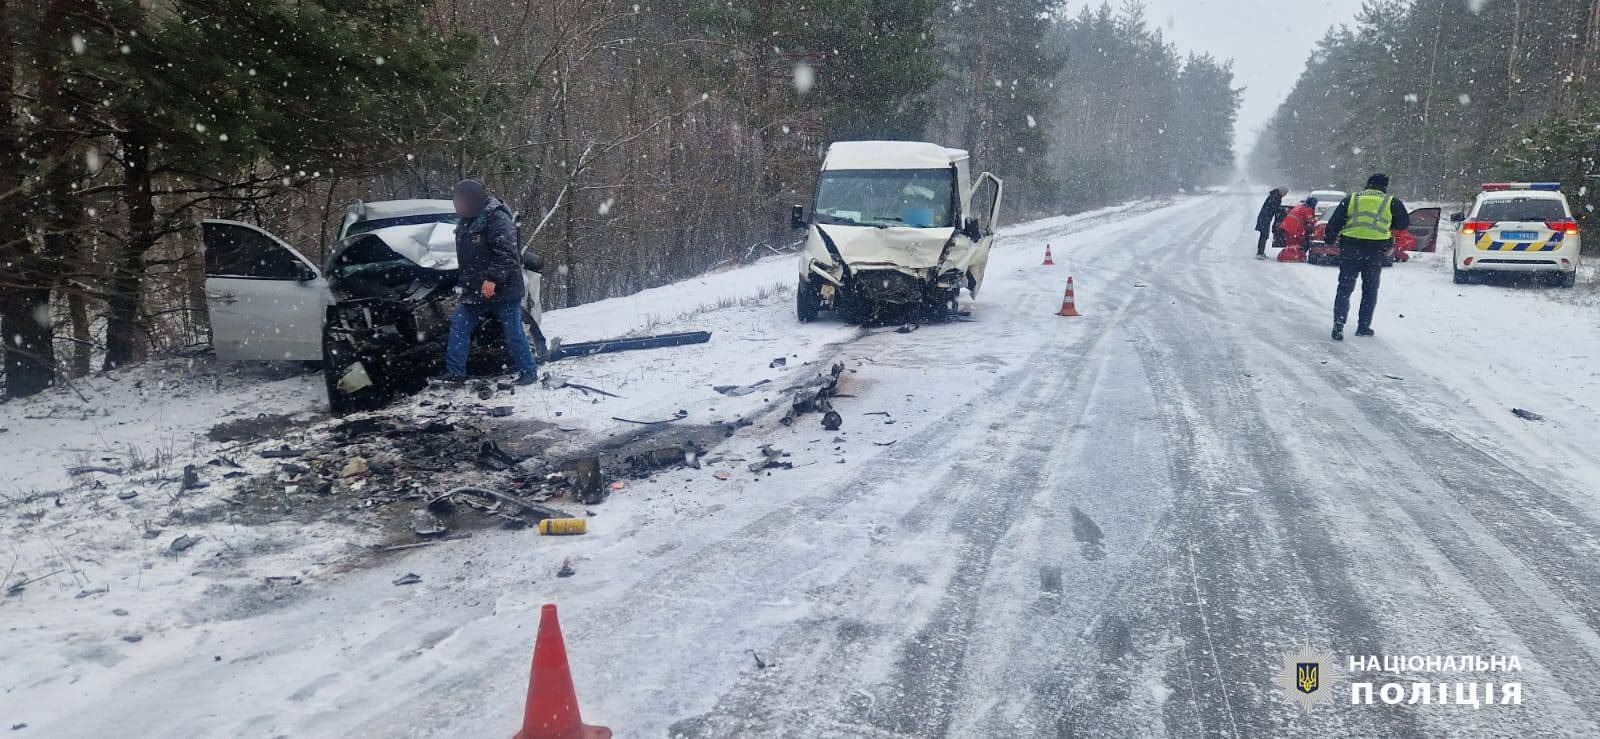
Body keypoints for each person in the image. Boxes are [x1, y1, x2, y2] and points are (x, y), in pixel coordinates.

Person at [442, 179, 539, 385]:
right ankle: (455, 374)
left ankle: (529, 372)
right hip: (474, 290)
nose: (459, 207)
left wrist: (493, 279)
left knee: (513, 332)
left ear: (474, 199)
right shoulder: (466, 222)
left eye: (462, 202)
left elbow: (506, 252)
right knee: (459, 327)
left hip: (503, 290)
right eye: (456, 202)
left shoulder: (496, 218)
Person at [1324, 173, 1409, 341]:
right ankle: (1363, 326)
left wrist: (1329, 239)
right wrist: (1387, 224)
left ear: (1368, 184)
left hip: (1350, 248)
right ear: (1385, 186)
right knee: (1369, 290)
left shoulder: (1352, 199)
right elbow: (1404, 224)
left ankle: (1339, 323)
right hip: (1375, 251)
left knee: (1345, 288)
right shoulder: (1391, 202)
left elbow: (1335, 222)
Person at [1277, 197, 1317, 262]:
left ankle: (1286, 255)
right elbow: (1310, 220)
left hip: (1286, 225)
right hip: (1294, 228)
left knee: (1290, 243)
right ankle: (1291, 257)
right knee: (1295, 244)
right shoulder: (1308, 209)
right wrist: (1315, 222)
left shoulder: (1300, 206)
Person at [1255, 186, 1287, 258]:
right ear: (1282, 192)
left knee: (1264, 235)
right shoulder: (1276, 197)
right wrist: (1281, 212)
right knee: (1264, 235)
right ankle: (1260, 253)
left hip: (1265, 217)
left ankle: (1260, 252)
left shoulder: (1274, 195)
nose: (1285, 195)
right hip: (1265, 218)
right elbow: (1274, 208)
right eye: (1285, 193)